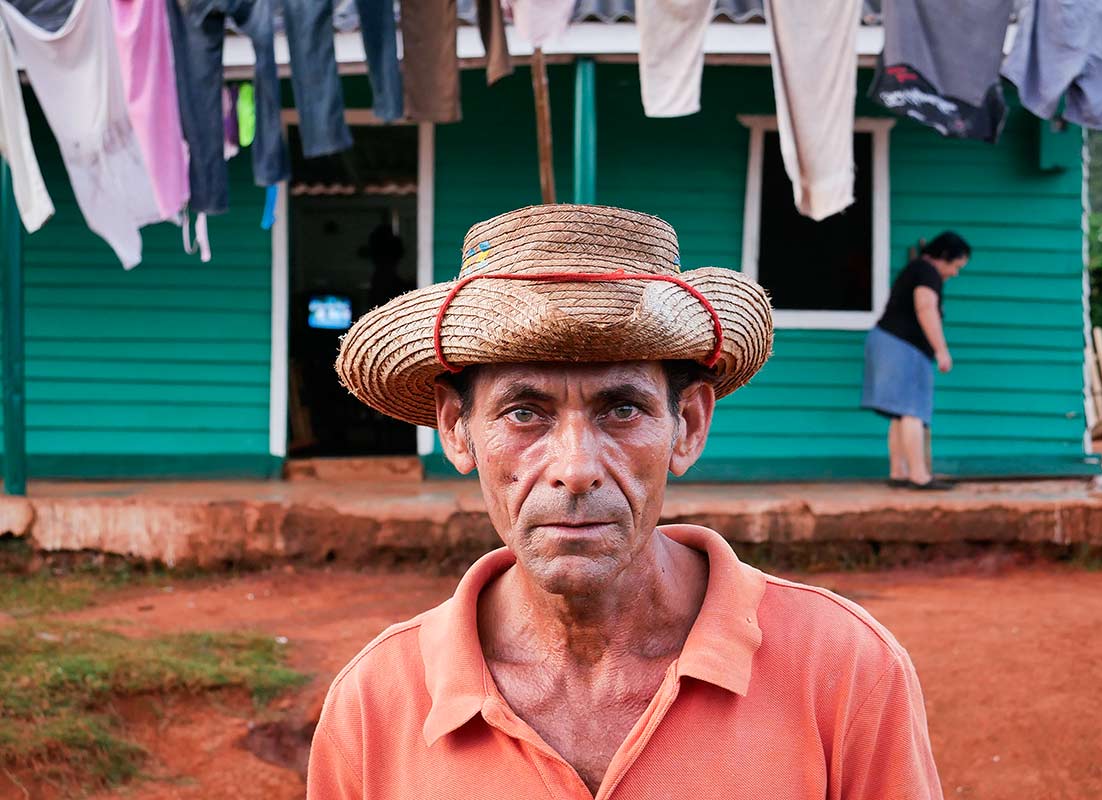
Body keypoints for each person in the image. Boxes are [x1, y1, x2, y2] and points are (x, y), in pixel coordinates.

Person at [309, 205, 943, 799]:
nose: (576, 470)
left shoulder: (841, 668)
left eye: (622, 409)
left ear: (688, 424)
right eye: (524, 412)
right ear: (456, 428)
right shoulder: (376, 702)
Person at [862, 232, 970, 491]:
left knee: (900, 412)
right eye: (956, 266)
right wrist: (941, 350)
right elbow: (925, 307)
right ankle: (919, 476)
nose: (955, 273)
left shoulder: (916, 268)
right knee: (912, 410)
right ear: (944, 256)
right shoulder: (928, 271)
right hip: (903, 345)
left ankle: (899, 473)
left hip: (884, 340)